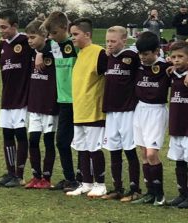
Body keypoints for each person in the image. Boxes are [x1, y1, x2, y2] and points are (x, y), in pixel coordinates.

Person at [37, 11, 81, 192]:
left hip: (78, 100)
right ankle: (70, 178)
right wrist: (39, 53)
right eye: (50, 34)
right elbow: (38, 43)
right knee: (62, 141)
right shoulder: (52, 44)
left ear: (65, 28)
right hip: (63, 101)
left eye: (54, 33)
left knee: (80, 142)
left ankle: (83, 179)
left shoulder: (76, 45)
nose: (52, 37)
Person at [66, 18, 108, 198]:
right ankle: (86, 183)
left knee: (94, 148)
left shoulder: (99, 53)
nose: (72, 37)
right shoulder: (81, 53)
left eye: (75, 34)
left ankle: (100, 184)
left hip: (94, 110)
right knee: (81, 148)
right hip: (80, 110)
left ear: (87, 34)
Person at [100, 26, 142, 202]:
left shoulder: (132, 57)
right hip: (111, 110)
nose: (109, 45)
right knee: (114, 149)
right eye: (108, 41)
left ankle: (135, 189)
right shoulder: (106, 58)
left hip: (127, 110)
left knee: (129, 149)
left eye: (113, 41)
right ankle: (117, 188)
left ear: (124, 41)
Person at [130, 31, 171, 206]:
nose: (142, 57)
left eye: (146, 54)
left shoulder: (165, 67)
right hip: (140, 109)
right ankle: (149, 193)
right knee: (143, 153)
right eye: (140, 54)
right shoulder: (137, 64)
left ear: (156, 51)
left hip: (156, 111)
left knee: (152, 153)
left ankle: (159, 194)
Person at [0, 9, 32, 188]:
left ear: (15, 26)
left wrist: (40, 54)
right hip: (7, 97)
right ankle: (10, 172)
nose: (1, 31)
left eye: (4, 27)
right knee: (7, 134)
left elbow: (44, 44)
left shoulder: (25, 41)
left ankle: (20, 174)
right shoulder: (2, 45)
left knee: (19, 133)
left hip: (22, 96)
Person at [23, 16, 58, 189]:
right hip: (35, 104)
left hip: (50, 105)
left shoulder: (53, 52)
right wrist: (37, 52)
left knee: (49, 141)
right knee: (33, 140)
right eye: (28, 37)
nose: (29, 41)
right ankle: (36, 176)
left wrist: (42, 52)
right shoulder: (31, 52)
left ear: (44, 36)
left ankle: (47, 177)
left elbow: (56, 43)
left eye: (33, 37)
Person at [165, 40, 188, 209]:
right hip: (175, 123)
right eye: (173, 57)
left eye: (180, 56)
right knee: (179, 160)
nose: (177, 60)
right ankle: (182, 193)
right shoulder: (171, 73)